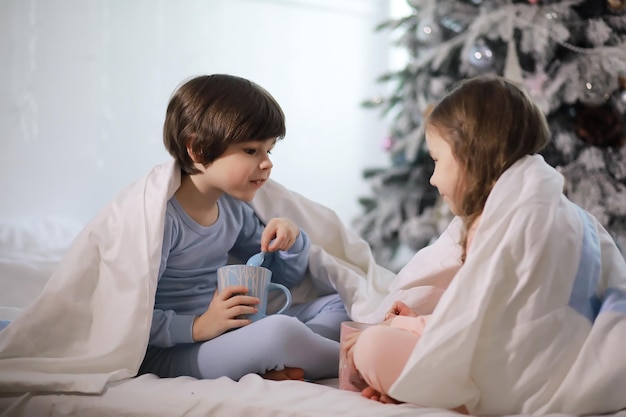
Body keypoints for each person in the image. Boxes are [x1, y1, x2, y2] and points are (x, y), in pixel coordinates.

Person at [341, 74, 626, 413]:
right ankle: (418, 385)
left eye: (436, 160)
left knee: (371, 346)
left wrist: (400, 326)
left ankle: (448, 396)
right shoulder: (552, 209)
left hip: (532, 375)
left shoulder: (509, 220)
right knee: (391, 348)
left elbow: (486, 325)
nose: (432, 178)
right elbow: (490, 313)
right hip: (571, 360)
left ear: (469, 155)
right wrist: (422, 320)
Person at [138, 74, 350, 382]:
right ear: (197, 150)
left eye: (269, 151)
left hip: (228, 333)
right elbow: (130, 315)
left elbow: (277, 280)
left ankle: (289, 362)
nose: (267, 163)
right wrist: (199, 326)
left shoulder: (233, 210)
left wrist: (291, 242)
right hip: (172, 352)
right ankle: (360, 362)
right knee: (279, 332)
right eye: (251, 151)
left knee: (339, 301)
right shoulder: (160, 219)